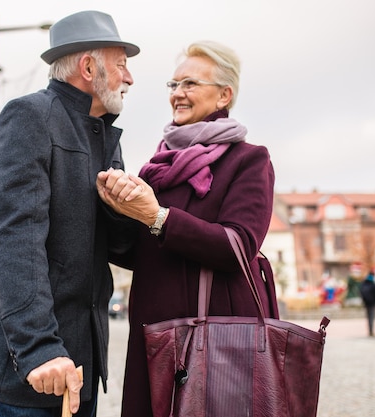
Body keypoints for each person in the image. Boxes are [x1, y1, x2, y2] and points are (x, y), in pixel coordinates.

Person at [96, 40, 278, 417]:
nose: (177, 94)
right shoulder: (159, 165)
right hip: (154, 332)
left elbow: (238, 247)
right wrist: (114, 212)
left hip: (217, 335)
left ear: (224, 94)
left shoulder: (248, 160)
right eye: (173, 85)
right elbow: (145, 250)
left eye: (190, 84)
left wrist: (158, 217)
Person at [0, 10, 139, 417]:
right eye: (121, 65)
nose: (130, 78)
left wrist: (126, 209)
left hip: (81, 362)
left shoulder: (104, 135)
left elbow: (116, 248)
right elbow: (14, 239)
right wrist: (38, 348)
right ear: (88, 67)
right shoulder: (28, 116)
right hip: (37, 366)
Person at [359, 270, 375, 336]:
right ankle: (371, 331)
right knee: (372, 317)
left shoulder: (364, 283)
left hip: (366, 303)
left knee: (368, 318)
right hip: (372, 303)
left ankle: (370, 331)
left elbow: (361, 292)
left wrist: (364, 300)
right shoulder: (373, 283)